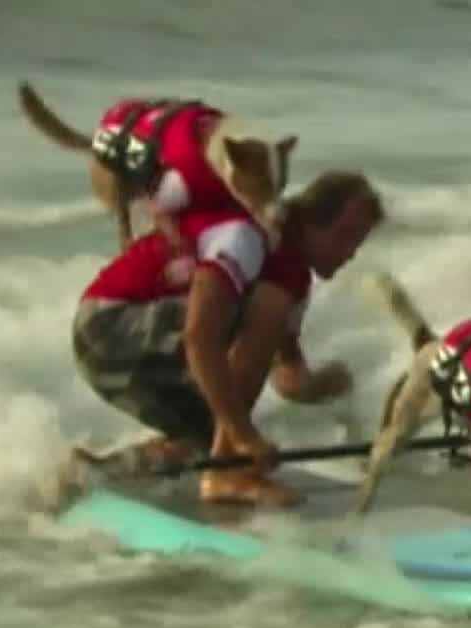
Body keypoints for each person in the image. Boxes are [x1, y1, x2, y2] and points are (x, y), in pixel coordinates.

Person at [62, 171, 383, 508]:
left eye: (357, 242)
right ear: (309, 220)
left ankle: (91, 474)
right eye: (344, 237)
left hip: (124, 348)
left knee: (202, 442)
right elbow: (200, 337)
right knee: (227, 427)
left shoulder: (291, 278)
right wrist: (242, 437)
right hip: (108, 327)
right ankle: (226, 473)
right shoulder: (255, 238)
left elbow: (285, 375)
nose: (350, 254)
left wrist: (325, 384)